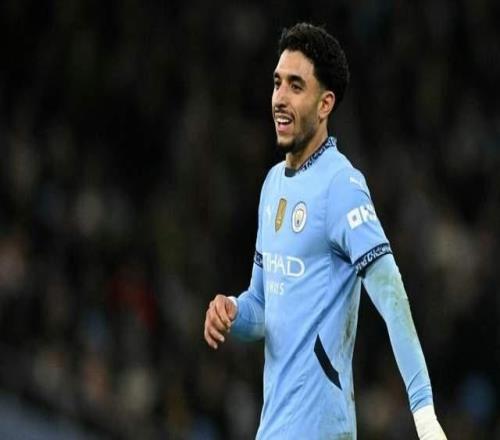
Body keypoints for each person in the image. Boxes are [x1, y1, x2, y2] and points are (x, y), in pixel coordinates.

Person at [204, 22, 447, 440]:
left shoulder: (341, 186)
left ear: (324, 104)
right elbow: (263, 306)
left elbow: (392, 297)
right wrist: (231, 311)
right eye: (277, 83)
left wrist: (425, 416)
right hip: (273, 429)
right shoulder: (273, 185)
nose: (280, 98)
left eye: (296, 86)